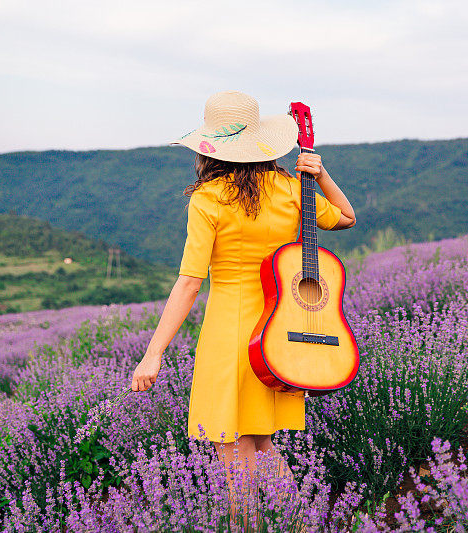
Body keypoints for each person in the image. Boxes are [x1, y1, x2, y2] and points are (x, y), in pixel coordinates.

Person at [129, 90, 356, 523]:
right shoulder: (292, 189)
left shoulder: (208, 198)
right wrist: (321, 173)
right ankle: (302, 524)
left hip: (228, 335)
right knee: (262, 443)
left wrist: (153, 352)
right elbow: (346, 218)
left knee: (231, 447)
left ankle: (247, 525)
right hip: (279, 333)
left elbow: (190, 282)